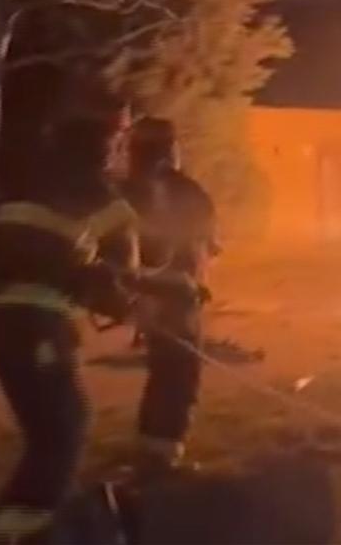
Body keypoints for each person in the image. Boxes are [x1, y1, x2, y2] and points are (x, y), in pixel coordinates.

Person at [0, 78, 140, 543]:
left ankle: (14, 528)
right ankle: (16, 535)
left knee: (50, 430)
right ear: (109, 141)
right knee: (63, 430)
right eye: (121, 137)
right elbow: (120, 277)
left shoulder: (26, 182)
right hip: (39, 322)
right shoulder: (105, 199)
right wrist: (131, 307)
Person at [121, 117, 218, 473]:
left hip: (141, 293)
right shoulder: (185, 190)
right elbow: (207, 242)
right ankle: (161, 453)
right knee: (180, 372)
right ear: (170, 148)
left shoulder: (125, 190)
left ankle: (150, 444)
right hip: (177, 294)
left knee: (162, 369)